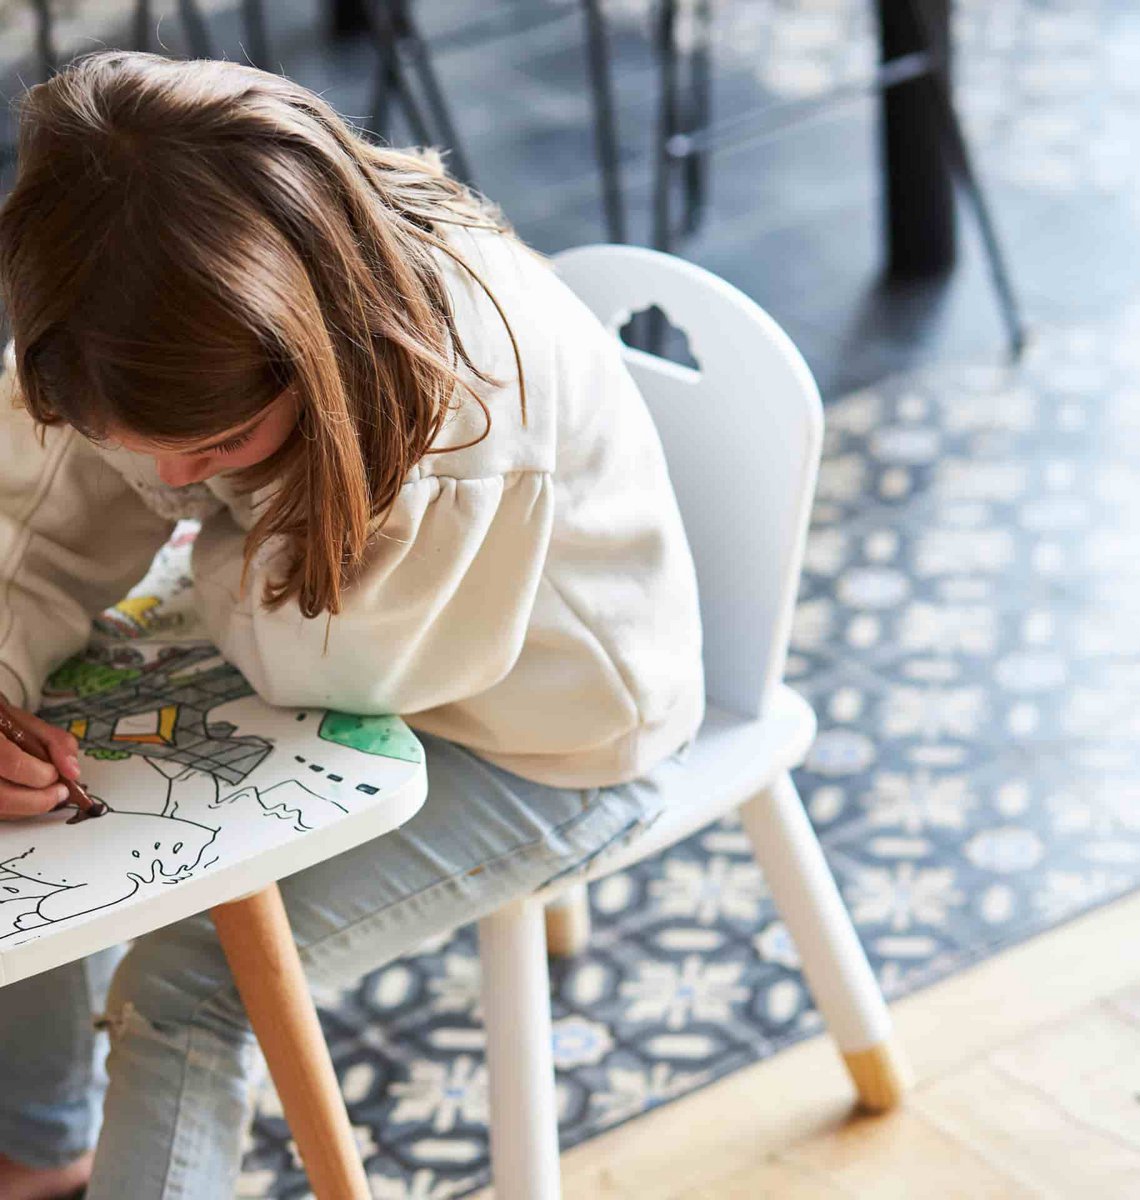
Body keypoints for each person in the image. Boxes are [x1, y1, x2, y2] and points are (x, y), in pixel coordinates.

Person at [0, 50, 703, 1200]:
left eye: (218, 445)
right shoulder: (124, 312)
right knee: (20, 806)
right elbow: (22, 517)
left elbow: (340, 658)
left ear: (306, 360)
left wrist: (180, 514)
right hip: (319, 653)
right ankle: (38, 1139)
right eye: (136, 439)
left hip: (543, 737)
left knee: (194, 981)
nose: (170, 472)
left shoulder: (467, 420)